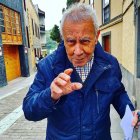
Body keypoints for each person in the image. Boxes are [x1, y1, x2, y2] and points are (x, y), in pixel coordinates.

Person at [23, 3, 139, 140]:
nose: (77, 52)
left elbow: (118, 93)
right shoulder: (48, 66)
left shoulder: (110, 65)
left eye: (85, 41)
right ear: (63, 39)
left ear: (97, 36)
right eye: (71, 42)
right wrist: (50, 95)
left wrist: (130, 112)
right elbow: (29, 110)